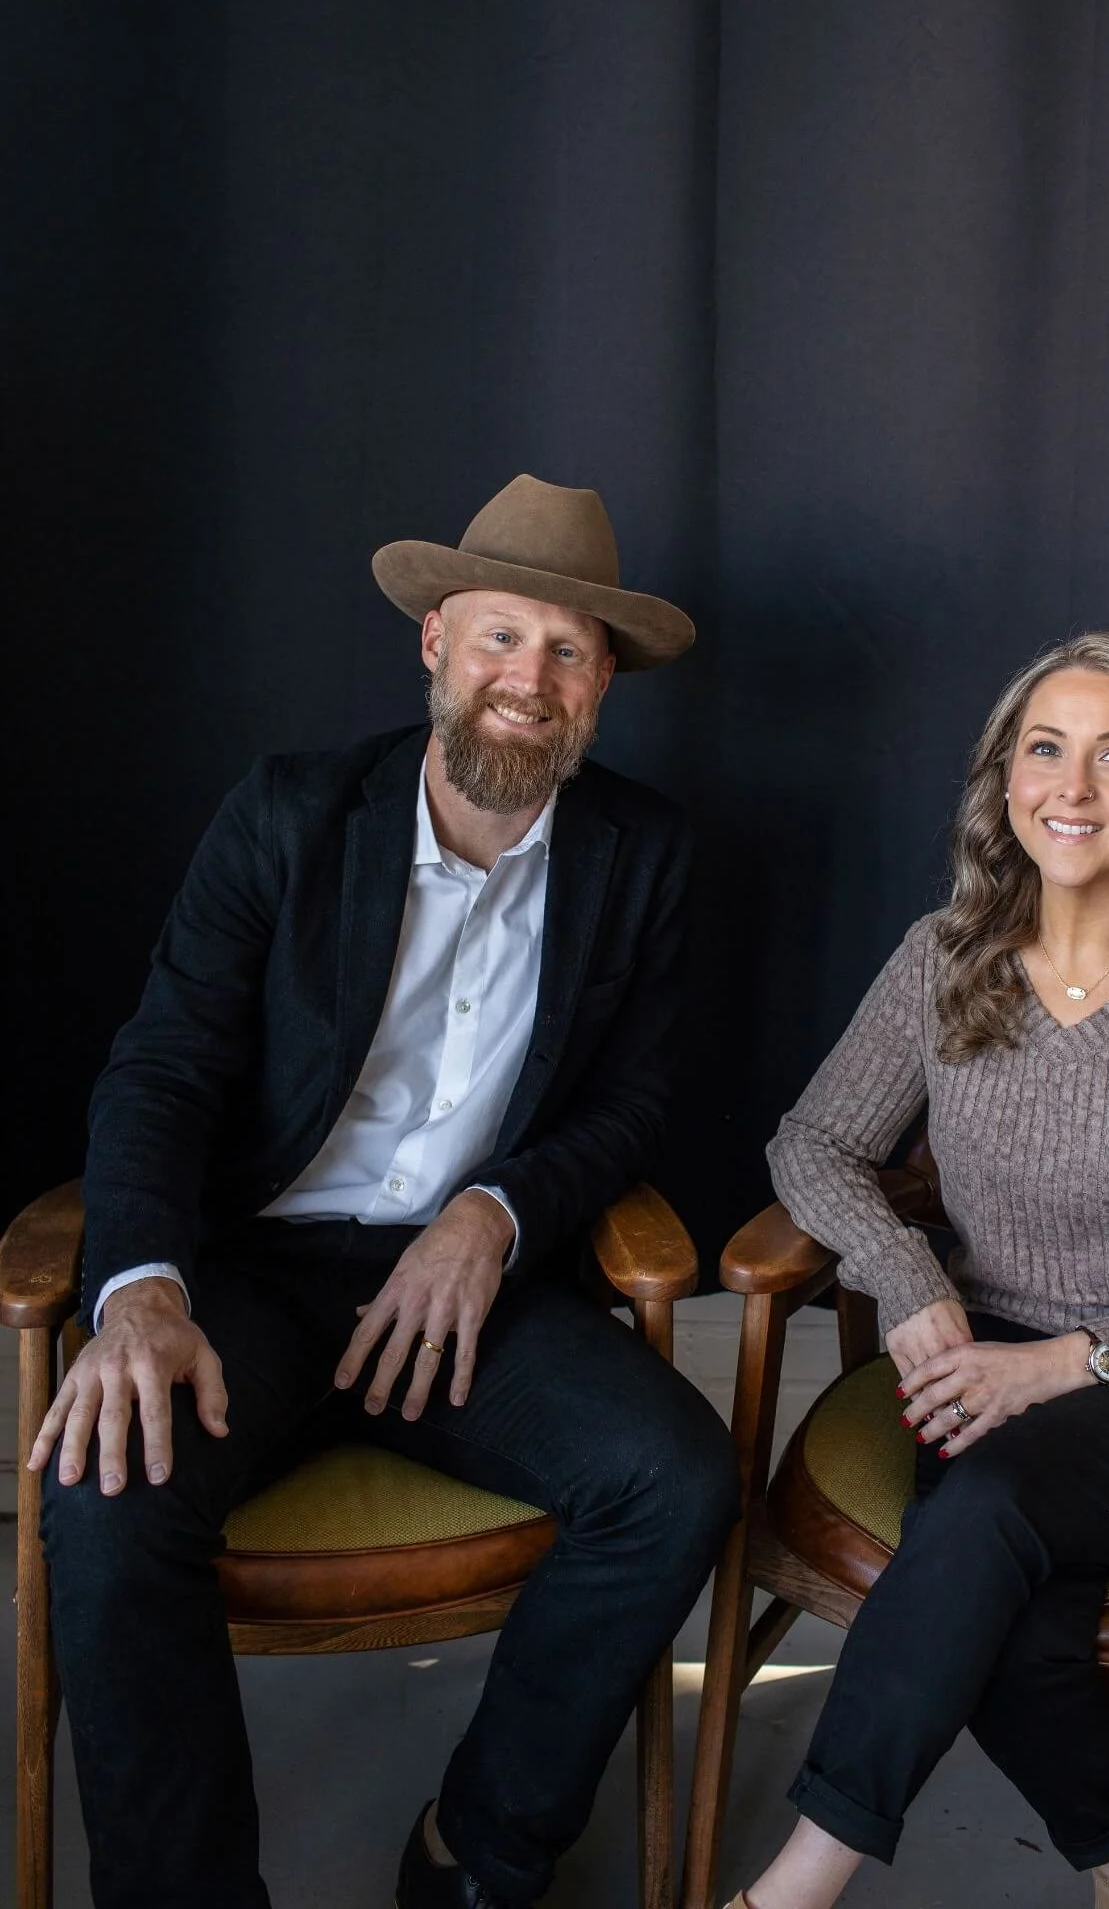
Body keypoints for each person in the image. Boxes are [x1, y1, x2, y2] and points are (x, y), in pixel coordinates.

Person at [29, 473, 739, 1909]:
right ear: (433, 644)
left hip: (469, 1291)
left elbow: (630, 1106)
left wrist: (496, 1213)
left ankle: (477, 1851)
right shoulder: (293, 814)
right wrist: (144, 1292)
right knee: (103, 1502)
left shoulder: (642, 856)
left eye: (563, 652)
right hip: (254, 1275)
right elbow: (160, 1070)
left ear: (602, 684)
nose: (524, 682)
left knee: (676, 1480)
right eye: (497, 640)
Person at [729, 632, 1109, 1909]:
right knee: (1006, 1587)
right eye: (1044, 749)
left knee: (981, 1517)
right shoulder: (945, 955)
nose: (1073, 784)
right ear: (1003, 782)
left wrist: (1066, 1360)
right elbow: (814, 1141)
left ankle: (792, 1888)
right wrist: (909, 1277)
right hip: (985, 1354)